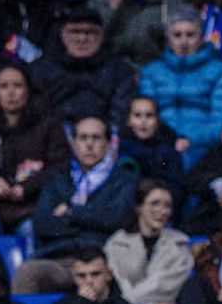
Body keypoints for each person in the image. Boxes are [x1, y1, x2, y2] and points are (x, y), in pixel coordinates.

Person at [17, 114, 140, 291]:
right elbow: (43, 224)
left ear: (108, 143)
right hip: (61, 260)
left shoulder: (124, 180)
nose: (89, 144)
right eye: (83, 138)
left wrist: (71, 213)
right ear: (73, 144)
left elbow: (116, 219)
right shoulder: (57, 179)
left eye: (96, 138)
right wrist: (92, 221)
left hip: (105, 261)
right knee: (27, 272)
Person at [0, 63, 71, 236]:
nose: (11, 92)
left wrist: (28, 187)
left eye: (17, 86)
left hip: (36, 206)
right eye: (4, 86)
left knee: (30, 230)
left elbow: (60, 168)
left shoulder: (48, 127)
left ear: (28, 91)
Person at [138, 4, 222, 161]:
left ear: (201, 38)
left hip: (203, 146)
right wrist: (168, 140)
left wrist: (191, 139)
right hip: (159, 143)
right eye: (177, 35)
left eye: (190, 35)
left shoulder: (221, 71)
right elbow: (145, 114)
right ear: (168, 40)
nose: (184, 41)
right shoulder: (152, 71)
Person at [31, 0, 140, 128]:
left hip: (103, 138)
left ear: (101, 36)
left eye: (90, 32)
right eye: (75, 32)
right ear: (63, 35)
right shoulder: (43, 70)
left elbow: (119, 116)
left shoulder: (120, 72)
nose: (82, 39)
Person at [105, 178, 193, 304]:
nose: (162, 211)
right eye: (155, 203)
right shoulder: (116, 243)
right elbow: (117, 285)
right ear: (139, 207)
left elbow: (162, 286)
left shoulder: (180, 245)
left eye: (167, 205)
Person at [48, 246, 145, 304]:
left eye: (95, 274)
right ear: (73, 278)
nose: (89, 281)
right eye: (81, 276)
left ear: (109, 274)